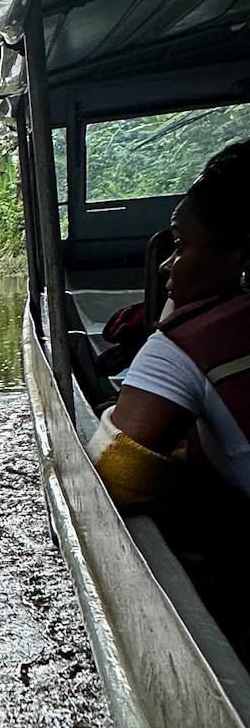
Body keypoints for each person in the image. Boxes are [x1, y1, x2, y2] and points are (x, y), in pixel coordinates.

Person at [89, 138, 250, 512]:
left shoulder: (183, 344)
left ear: (242, 253)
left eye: (179, 245)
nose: (165, 264)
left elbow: (117, 480)